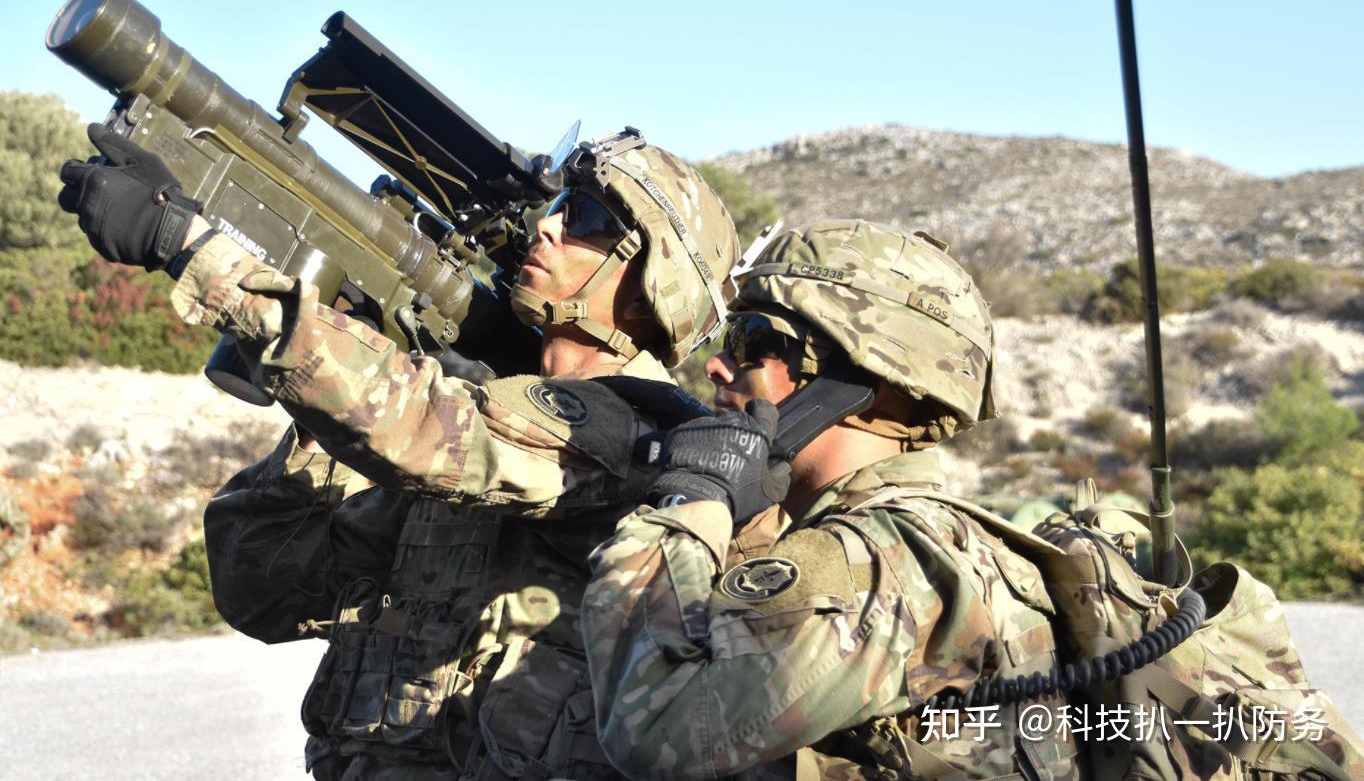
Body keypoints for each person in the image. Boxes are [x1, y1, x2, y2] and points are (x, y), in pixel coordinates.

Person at [57, 124, 747, 780]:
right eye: (562, 203)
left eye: (589, 221)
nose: (548, 224)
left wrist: (189, 246)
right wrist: (321, 412)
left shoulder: (622, 429)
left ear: (655, 285)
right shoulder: (475, 428)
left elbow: (416, 423)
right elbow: (261, 588)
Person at [581, 219, 1081, 780]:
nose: (720, 365)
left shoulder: (886, 556)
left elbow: (657, 730)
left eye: (757, 342)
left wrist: (691, 496)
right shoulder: (882, 541)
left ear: (866, 378)